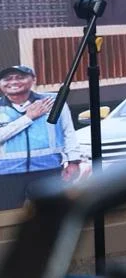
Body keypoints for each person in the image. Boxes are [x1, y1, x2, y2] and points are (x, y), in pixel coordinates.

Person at [0, 64, 84, 210]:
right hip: (7, 174)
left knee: (52, 214)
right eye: (7, 79)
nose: (13, 82)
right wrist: (28, 117)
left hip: (48, 171)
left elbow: (68, 132)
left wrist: (74, 161)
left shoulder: (53, 101)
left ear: (34, 79)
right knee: (7, 217)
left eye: (20, 77)